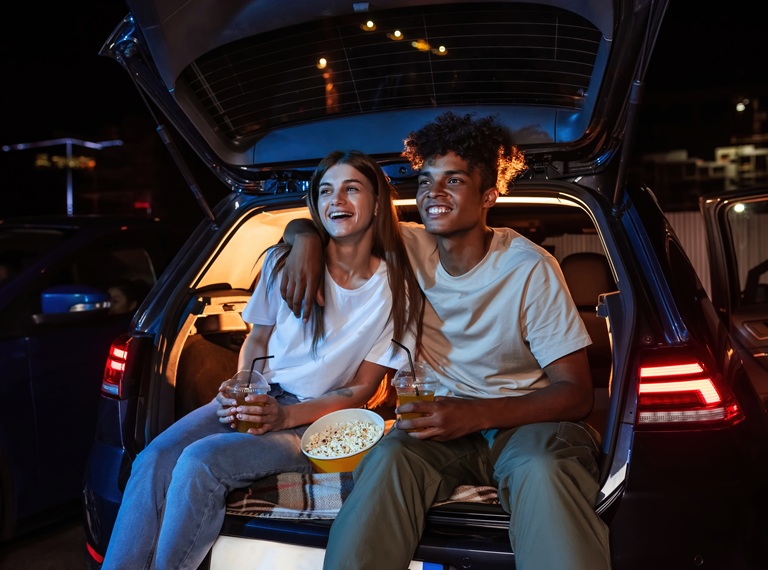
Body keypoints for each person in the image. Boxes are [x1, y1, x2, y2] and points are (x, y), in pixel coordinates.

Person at [281, 112, 611, 569]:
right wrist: (302, 240)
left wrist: (476, 414)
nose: (432, 193)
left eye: (452, 181)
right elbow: (329, 222)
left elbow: (575, 393)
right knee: (387, 459)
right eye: (425, 180)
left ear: (489, 194)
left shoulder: (528, 267)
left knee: (543, 470)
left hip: (526, 423)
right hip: (439, 425)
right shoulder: (407, 246)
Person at [100, 150, 422, 570]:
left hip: (317, 421)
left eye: (352, 189)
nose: (336, 200)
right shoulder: (281, 262)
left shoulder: (396, 289)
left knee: (200, 463)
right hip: (261, 397)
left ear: (378, 203)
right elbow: (258, 339)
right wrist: (241, 384)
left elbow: (361, 389)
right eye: (326, 191)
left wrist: (284, 418)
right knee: (154, 459)